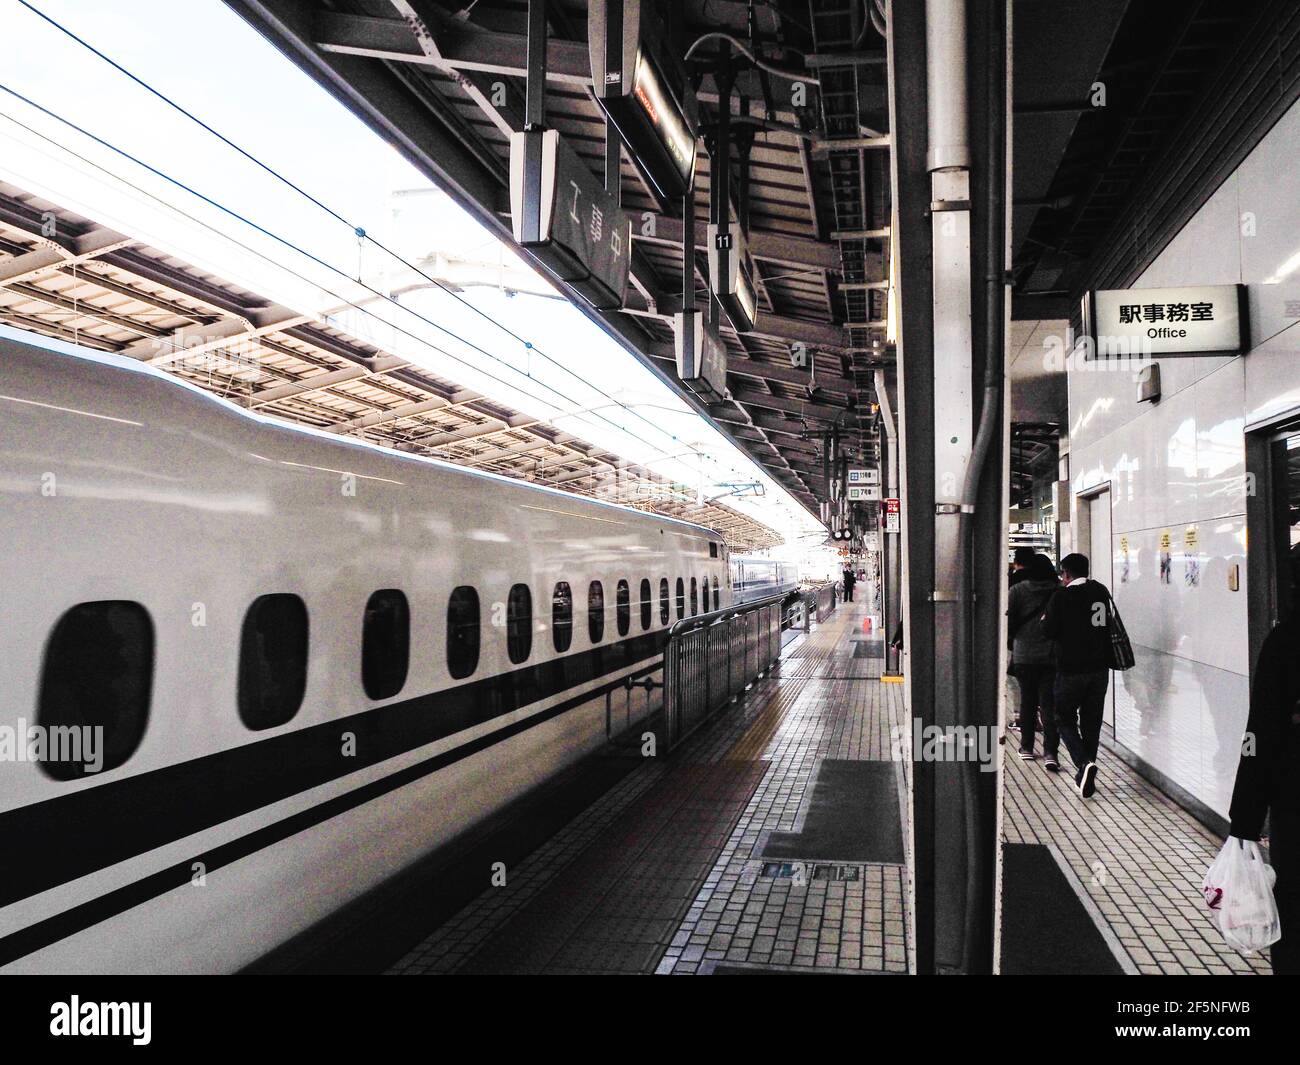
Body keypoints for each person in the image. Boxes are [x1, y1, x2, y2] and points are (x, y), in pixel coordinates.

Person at [1227, 546, 1300, 973]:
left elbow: (1260, 736)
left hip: (1294, 803)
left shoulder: (1285, 643)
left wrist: (1245, 821)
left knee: (1291, 908)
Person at [1039, 552, 1112, 799]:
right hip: (1100, 670)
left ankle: (1083, 763)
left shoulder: (1061, 596)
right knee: (1092, 723)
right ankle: (1085, 773)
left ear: (1066, 574)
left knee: (1063, 718)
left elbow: (1048, 631)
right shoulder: (1100, 591)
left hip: (1070, 670)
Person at [1006, 553, 1060, 765]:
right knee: (1049, 705)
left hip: (1024, 656)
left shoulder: (1017, 591)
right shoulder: (1059, 591)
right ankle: (1050, 753)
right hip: (1052, 657)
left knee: (1028, 702)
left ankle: (1026, 747)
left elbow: (1009, 624)